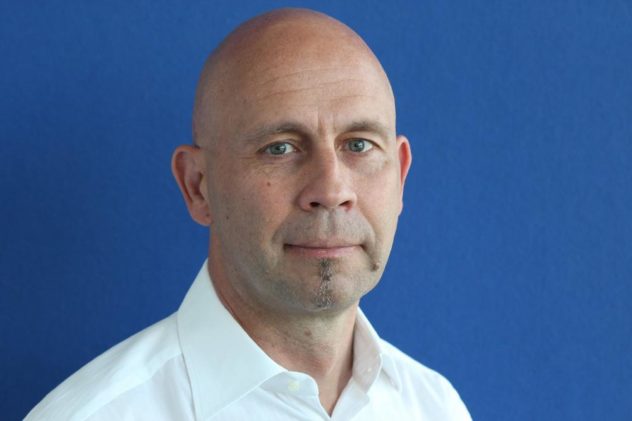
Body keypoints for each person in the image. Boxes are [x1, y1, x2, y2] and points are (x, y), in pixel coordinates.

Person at [26, 8, 471, 420]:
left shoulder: (435, 406)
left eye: (359, 144)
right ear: (198, 186)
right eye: (280, 148)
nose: (332, 190)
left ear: (400, 177)